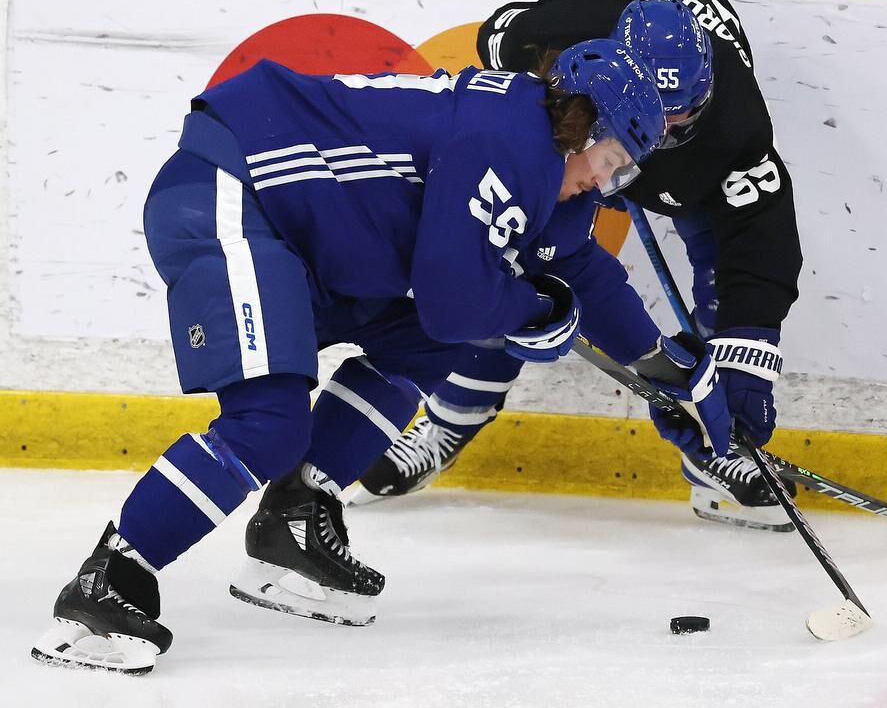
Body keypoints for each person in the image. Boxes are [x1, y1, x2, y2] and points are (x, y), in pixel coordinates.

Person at [31, 39, 731, 674]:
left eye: (618, 174)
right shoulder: (508, 140)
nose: (600, 183)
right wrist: (531, 315)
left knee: (432, 341)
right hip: (233, 192)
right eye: (606, 163)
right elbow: (458, 296)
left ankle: (297, 514)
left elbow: (582, 273)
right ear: (580, 124)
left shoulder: (546, 161)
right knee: (269, 424)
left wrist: (668, 371)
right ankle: (110, 578)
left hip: (306, 237)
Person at [357, 0, 803, 531]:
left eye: (679, 117)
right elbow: (500, 43)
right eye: (651, 117)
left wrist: (747, 360)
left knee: (726, 281)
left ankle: (717, 453)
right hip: (581, 138)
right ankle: (452, 414)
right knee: (509, 255)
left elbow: (760, 242)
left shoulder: (731, 130)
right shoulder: (549, 44)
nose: (658, 135)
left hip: (672, 170)